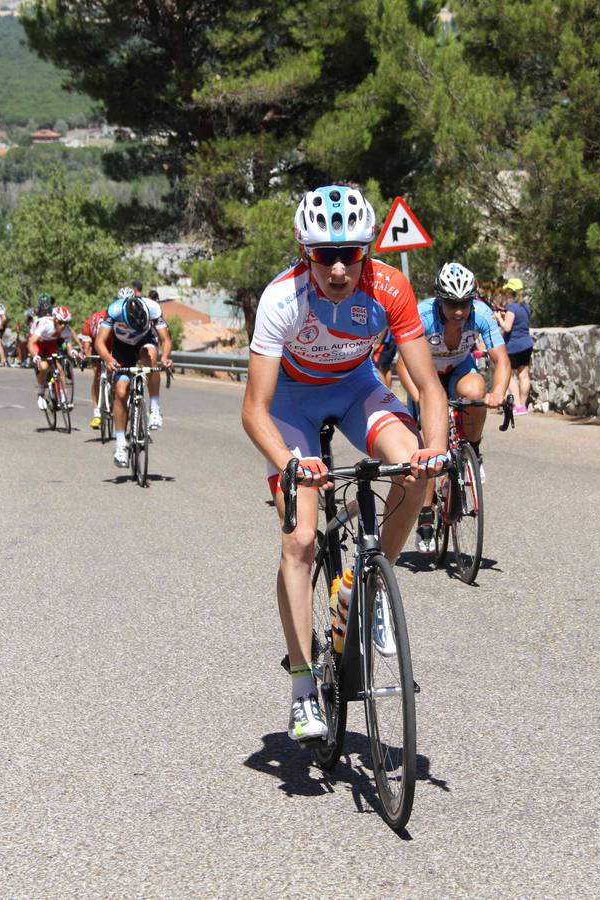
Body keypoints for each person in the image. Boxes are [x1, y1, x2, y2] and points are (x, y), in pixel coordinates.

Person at [241, 184, 448, 742]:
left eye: (350, 254)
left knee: (414, 473)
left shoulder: (390, 286)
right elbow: (254, 410)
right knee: (301, 540)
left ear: (368, 251)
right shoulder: (282, 298)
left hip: (356, 390)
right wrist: (290, 463)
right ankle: (303, 683)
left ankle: (365, 587)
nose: (337, 268)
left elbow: (429, 387)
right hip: (291, 404)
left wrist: (431, 450)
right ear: (306, 253)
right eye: (323, 256)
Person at [397, 261, 509, 552]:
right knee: (430, 445)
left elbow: (501, 360)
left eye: (464, 303)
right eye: (451, 304)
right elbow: (404, 365)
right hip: (425, 375)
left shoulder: (482, 314)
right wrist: (422, 398)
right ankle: (424, 521)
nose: (458, 311)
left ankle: (473, 452)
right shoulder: (422, 315)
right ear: (440, 300)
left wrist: (497, 392)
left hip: (459, 370)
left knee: (475, 390)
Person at [94, 287, 174, 468]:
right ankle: (121, 444)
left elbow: (165, 340)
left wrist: (165, 358)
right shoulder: (114, 310)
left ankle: (154, 409)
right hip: (122, 347)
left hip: (145, 341)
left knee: (151, 360)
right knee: (121, 391)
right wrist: (108, 359)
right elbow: (99, 341)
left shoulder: (153, 308)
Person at [27, 295, 75, 409]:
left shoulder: (66, 328)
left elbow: (68, 345)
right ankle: (40, 394)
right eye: (61, 322)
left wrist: (72, 352)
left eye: (66, 322)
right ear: (54, 320)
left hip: (51, 343)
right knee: (43, 367)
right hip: (38, 342)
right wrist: (35, 356)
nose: (63, 326)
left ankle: (64, 400)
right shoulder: (45, 324)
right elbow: (30, 343)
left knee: (60, 369)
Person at [495, 277, 533, 414]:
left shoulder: (511, 307)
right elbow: (521, 321)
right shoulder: (526, 306)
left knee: (509, 376)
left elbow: (507, 328)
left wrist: (500, 318)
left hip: (513, 346)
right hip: (527, 344)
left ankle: (517, 405)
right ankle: (523, 405)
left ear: (511, 292)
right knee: (524, 375)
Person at [79, 304, 110, 430]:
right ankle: (97, 413)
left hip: (114, 344)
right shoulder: (90, 323)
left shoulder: (115, 320)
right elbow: (86, 347)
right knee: (97, 375)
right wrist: (86, 357)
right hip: (98, 348)